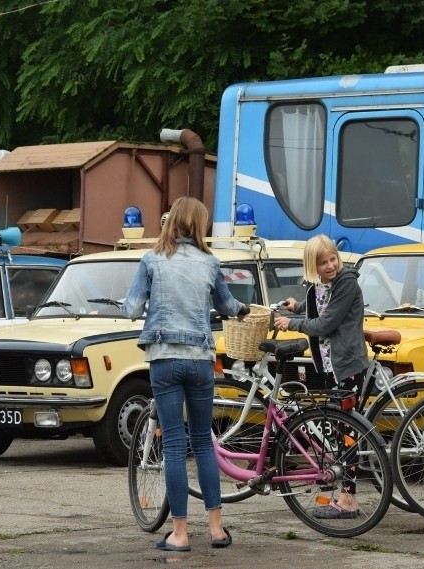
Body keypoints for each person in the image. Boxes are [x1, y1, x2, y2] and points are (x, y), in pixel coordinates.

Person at [122, 196, 249, 552]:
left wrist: (129, 305)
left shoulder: (152, 260)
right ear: (199, 225)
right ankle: (217, 529)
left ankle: (179, 534)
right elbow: (227, 306)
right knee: (203, 445)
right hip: (200, 360)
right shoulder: (210, 262)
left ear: (171, 221)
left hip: (165, 359)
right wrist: (245, 309)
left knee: (175, 446)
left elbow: (132, 308)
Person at [274, 234, 368, 519]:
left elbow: (326, 322)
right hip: (331, 366)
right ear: (312, 266)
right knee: (340, 432)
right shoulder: (322, 285)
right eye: (323, 262)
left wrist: (293, 323)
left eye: (333, 259)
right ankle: (344, 493)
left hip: (347, 364)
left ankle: (349, 499)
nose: (331, 266)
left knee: (347, 433)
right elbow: (319, 303)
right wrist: (297, 306)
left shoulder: (347, 282)